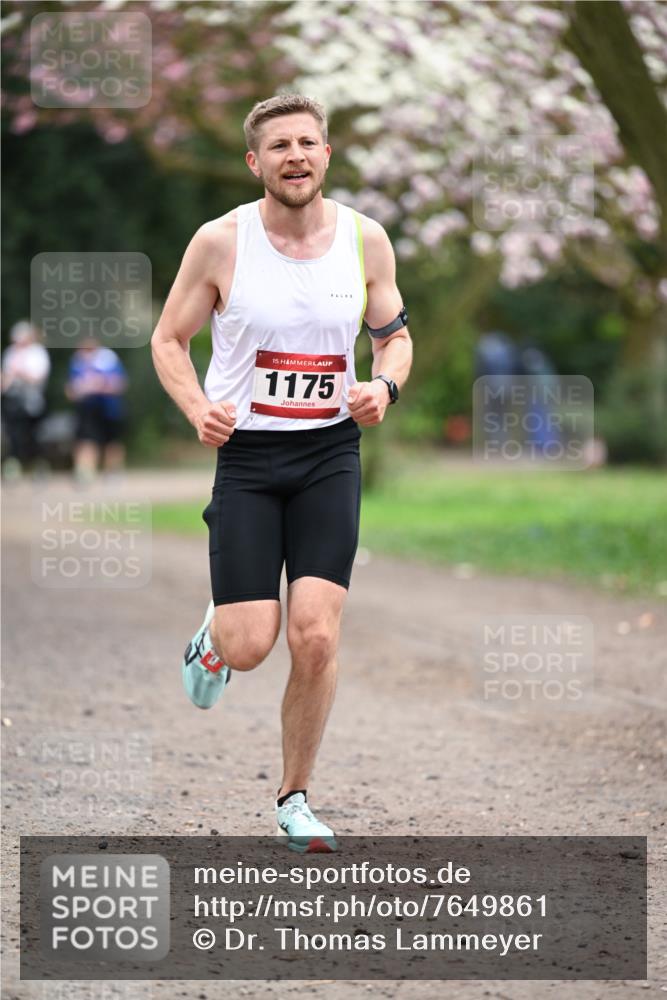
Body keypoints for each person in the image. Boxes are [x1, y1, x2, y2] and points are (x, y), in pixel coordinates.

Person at [151, 94, 413, 853]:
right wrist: (198, 407)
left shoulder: (366, 241)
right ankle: (213, 641)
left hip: (329, 452)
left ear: (326, 155)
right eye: (279, 146)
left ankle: (294, 797)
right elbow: (169, 340)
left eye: (307, 142)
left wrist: (382, 387)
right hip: (249, 458)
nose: (294, 155)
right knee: (250, 644)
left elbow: (393, 337)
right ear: (255, 162)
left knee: (316, 637)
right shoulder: (220, 241)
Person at [65, 336, 127, 483]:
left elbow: (120, 383)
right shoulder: (77, 361)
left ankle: (113, 473)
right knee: (86, 440)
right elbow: (70, 389)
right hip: (87, 408)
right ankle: (85, 473)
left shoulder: (108, 359)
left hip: (109, 408)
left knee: (112, 442)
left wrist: (100, 385)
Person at [1, 321, 50, 480]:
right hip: (13, 400)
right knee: (13, 433)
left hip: (32, 401)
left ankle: (39, 466)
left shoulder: (37, 353)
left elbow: (38, 377)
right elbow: (6, 377)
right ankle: (13, 465)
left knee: (34, 435)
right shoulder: (10, 353)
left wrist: (20, 373)